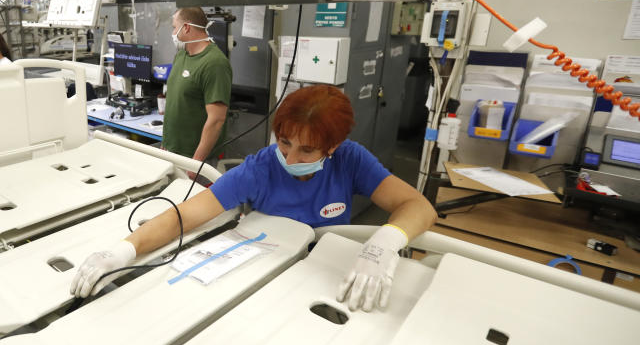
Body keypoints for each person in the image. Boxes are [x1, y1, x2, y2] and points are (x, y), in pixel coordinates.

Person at [70, 85, 438, 312]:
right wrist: (122, 251)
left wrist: (385, 242)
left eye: (307, 150)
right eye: (284, 142)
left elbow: (418, 207)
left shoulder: (350, 160)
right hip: (269, 277)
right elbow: (186, 215)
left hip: (326, 276)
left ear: (333, 147)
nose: (290, 159)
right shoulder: (260, 169)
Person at [163, 7, 232, 163]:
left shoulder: (215, 64)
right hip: (172, 150)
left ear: (186, 27)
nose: (173, 33)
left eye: (175, 27)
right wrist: (166, 144)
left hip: (195, 159)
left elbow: (216, 120)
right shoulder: (181, 55)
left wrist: (196, 163)